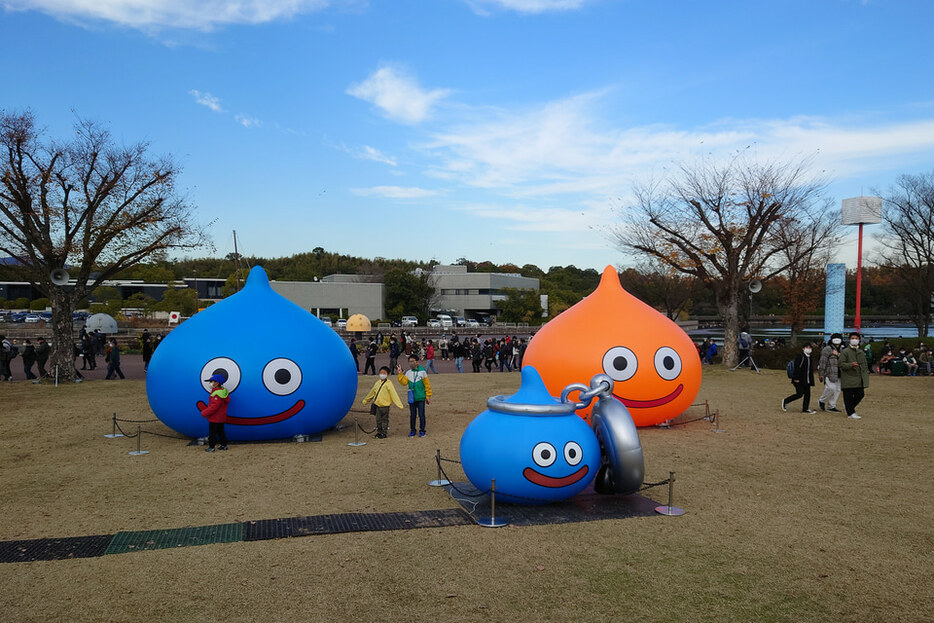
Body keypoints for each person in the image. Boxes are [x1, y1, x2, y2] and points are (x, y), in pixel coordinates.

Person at [361, 366, 404, 438]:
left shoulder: (389, 383)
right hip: (377, 405)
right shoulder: (377, 383)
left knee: (384, 420)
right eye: (381, 373)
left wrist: (399, 404)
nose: (382, 374)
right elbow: (372, 393)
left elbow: (394, 394)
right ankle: (379, 432)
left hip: (385, 406)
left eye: (384, 373)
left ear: (388, 375)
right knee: (378, 420)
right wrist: (366, 400)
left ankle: (384, 433)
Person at [397, 355, 432, 437]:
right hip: (412, 398)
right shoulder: (408, 373)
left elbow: (427, 385)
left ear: (417, 362)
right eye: (410, 361)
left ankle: (422, 430)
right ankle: (412, 430)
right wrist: (400, 374)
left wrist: (428, 396)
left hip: (421, 397)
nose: (411, 363)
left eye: (413, 361)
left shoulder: (422, 372)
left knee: (421, 414)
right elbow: (404, 382)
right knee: (412, 415)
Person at [838, 332, 868, 420]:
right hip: (848, 376)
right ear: (849, 339)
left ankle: (849, 407)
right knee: (848, 395)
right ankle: (851, 412)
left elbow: (864, 363)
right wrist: (851, 365)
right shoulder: (845, 351)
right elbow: (841, 364)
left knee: (860, 394)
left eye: (856, 338)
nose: (854, 340)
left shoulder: (861, 351)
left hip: (858, 377)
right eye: (852, 338)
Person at [782, 342, 816, 414]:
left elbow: (810, 370)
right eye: (807, 347)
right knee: (799, 394)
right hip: (799, 379)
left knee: (807, 394)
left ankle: (805, 409)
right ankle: (786, 401)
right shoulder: (800, 357)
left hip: (807, 380)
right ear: (803, 349)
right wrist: (796, 378)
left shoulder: (810, 358)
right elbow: (797, 368)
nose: (808, 349)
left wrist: (811, 380)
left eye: (810, 347)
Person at [200, 373, 230, 451]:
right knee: (221, 431)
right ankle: (224, 445)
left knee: (212, 433)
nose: (210, 383)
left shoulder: (217, 394)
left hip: (215, 418)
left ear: (217, 383)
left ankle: (211, 447)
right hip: (221, 417)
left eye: (211, 381)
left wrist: (204, 413)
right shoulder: (223, 391)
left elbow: (214, 407)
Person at [817, 334, 843, 413]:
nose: (837, 340)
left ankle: (832, 406)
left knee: (837, 390)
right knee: (831, 388)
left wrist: (838, 354)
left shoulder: (842, 349)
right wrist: (821, 373)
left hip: (840, 373)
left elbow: (845, 359)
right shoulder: (827, 349)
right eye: (835, 338)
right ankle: (822, 400)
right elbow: (823, 361)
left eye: (838, 338)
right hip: (829, 372)